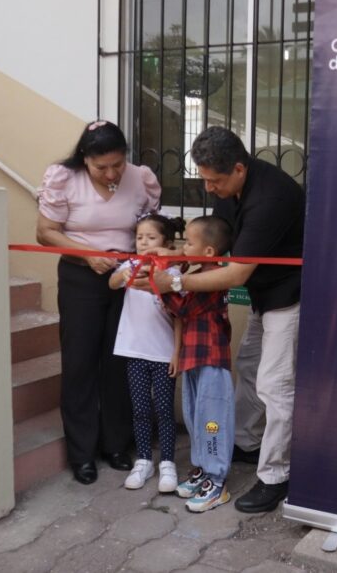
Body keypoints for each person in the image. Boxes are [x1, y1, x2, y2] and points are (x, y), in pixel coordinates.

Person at [148, 127, 304, 514]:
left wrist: (176, 281)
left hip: (291, 296)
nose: (209, 189)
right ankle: (247, 444)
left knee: (274, 385)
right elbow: (213, 249)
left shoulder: (271, 197)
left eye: (214, 181)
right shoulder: (227, 191)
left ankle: (276, 476)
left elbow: (234, 274)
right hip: (263, 296)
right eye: (204, 179)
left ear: (238, 168)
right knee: (249, 367)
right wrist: (171, 258)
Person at [36, 120, 162, 485]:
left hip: (126, 279)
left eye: (117, 164)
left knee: (120, 361)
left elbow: (150, 228)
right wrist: (88, 254)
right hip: (80, 278)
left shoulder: (141, 178)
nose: (110, 173)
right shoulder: (64, 178)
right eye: (100, 167)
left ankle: (116, 444)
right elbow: (45, 232)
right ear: (84, 159)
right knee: (80, 362)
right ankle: (82, 453)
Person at [160, 216, 236, 513]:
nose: (184, 248)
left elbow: (183, 308)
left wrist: (162, 285)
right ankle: (204, 468)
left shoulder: (213, 278)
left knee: (212, 419)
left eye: (189, 243)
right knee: (194, 416)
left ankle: (217, 481)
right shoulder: (196, 273)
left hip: (211, 360)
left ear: (208, 251)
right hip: (194, 358)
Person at [109, 212, 185, 492]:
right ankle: (144, 461)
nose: (143, 242)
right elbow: (112, 283)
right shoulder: (130, 265)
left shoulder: (172, 274)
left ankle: (167, 462)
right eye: (140, 237)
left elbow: (179, 318)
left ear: (166, 243)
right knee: (140, 410)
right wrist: (124, 274)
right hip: (135, 352)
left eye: (151, 237)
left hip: (163, 354)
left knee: (164, 410)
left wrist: (177, 353)